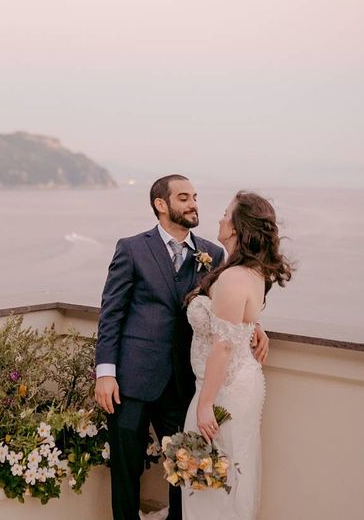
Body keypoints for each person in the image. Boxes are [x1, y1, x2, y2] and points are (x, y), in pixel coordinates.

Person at [95, 175, 270, 520]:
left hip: (182, 385)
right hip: (131, 379)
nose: (193, 204)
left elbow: (227, 306)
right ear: (161, 205)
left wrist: (257, 325)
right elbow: (111, 312)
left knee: (187, 470)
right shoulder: (132, 248)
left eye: (195, 197)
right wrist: (105, 372)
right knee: (126, 469)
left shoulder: (213, 252)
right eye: (184, 198)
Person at [182, 191, 293, 519]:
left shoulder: (233, 277)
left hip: (222, 390)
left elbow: (224, 345)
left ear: (238, 227)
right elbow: (237, 321)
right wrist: (253, 325)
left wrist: (205, 404)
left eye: (226, 213)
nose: (219, 218)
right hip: (230, 384)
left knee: (215, 476)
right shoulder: (249, 271)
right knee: (220, 474)